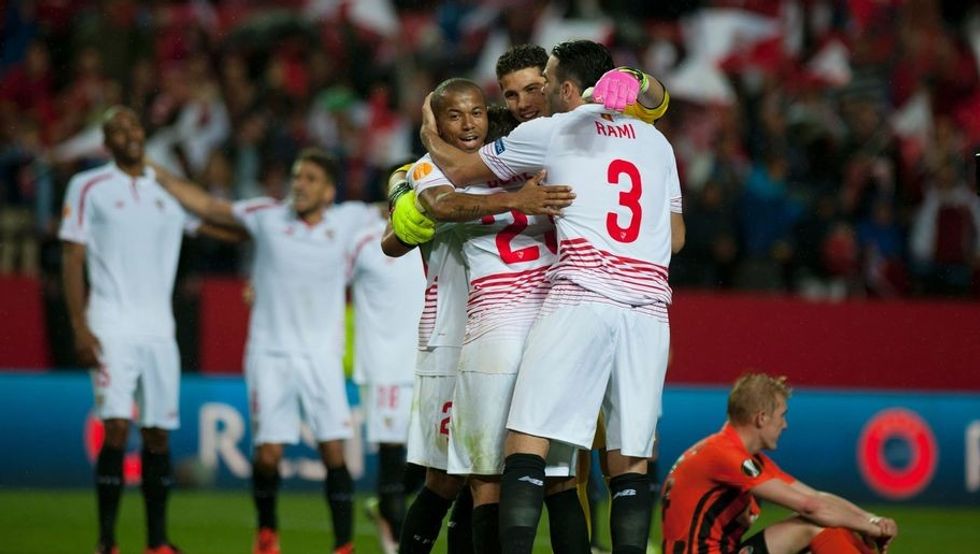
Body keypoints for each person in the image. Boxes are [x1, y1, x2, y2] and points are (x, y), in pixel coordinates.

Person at [418, 39, 685, 553]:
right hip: (650, 309)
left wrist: (431, 133)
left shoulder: (555, 130)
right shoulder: (658, 144)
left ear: (566, 88)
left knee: (526, 444)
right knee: (629, 459)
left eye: (546, 80)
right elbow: (674, 238)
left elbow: (458, 172)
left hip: (582, 295)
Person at [381, 78, 574, 554]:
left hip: (507, 330)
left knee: (490, 472)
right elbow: (396, 238)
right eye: (453, 116)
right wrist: (402, 198)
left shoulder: (508, 164)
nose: (468, 125)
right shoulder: (424, 171)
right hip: (448, 334)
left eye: (476, 114)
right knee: (447, 477)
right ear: (436, 122)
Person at [154, 148, 376, 554]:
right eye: (296, 176)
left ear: (329, 191)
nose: (299, 184)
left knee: (333, 450)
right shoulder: (267, 215)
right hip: (269, 353)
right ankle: (267, 534)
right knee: (269, 453)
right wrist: (158, 173)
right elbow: (208, 206)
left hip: (321, 356)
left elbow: (395, 204)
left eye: (310, 178)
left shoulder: (348, 221)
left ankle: (344, 544)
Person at [60, 106, 193, 554]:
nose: (129, 134)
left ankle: (157, 541)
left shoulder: (167, 189)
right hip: (110, 321)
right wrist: (79, 325)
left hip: (159, 329)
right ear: (106, 141)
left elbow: (209, 217)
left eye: (134, 126)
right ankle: (107, 540)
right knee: (116, 426)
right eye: (118, 130)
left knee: (157, 433)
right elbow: (72, 256)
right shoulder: (88, 186)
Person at [661, 373, 899, 554]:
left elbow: (816, 496)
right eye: (782, 415)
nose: (784, 425)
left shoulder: (738, 454)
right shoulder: (725, 455)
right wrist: (870, 529)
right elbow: (811, 507)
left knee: (828, 524)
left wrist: (870, 519)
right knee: (814, 525)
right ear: (761, 417)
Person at [347, 165, 428, 554]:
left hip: (427, 360)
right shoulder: (363, 241)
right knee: (392, 456)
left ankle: (384, 508)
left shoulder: (432, 229)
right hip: (384, 366)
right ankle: (392, 540)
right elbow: (323, 277)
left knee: (432, 460)